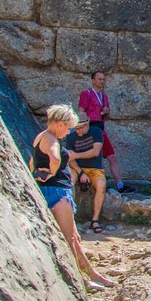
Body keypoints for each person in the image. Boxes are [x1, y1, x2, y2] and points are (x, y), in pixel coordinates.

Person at [33, 105, 114, 289]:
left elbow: (32, 162)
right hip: (58, 192)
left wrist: (38, 175)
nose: (69, 131)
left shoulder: (41, 136)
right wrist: (52, 173)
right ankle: (84, 280)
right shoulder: (52, 140)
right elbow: (54, 159)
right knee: (70, 239)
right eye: (68, 127)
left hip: (52, 190)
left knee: (74, 238)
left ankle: (92, 274)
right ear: (60, 123)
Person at [78, 72, 129, 193]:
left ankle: (120, 185)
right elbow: (81, 112)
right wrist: (84, 128)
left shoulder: (104, 96)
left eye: (103, 79)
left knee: (112, 156)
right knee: (90, 156)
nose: (102, 81)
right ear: (93, 80)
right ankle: (85, 181)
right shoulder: (87, 93)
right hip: (90, 127)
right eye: (99, 79)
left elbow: (106, 116)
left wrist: (106, 111)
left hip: (101, 128)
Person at [64, 114, 108, 233]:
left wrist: (76, 155)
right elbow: (70, 158)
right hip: (76, 168)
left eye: (80, 128)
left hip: (94, 168)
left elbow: (95, 152)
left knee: (101, 184)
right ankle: (69, 217)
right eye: (76, 128)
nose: (78, 131)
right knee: (70, 181)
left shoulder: (96, 132)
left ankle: (95, 219)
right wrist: (81, 172)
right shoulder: (70, 137)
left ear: (87, 123)